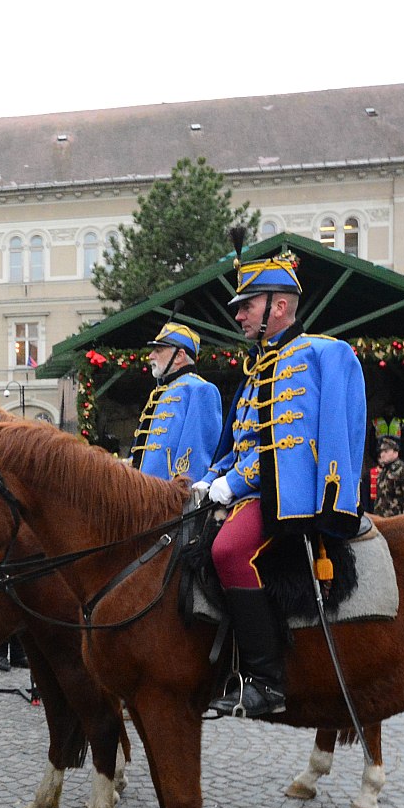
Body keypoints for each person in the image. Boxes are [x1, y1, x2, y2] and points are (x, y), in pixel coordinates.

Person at [192, 249, 365, 719]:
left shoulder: (311, 355)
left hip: (284, 494)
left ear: (279, 306)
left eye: (246, 306)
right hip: (246, 487)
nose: (238, 316)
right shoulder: (257, 367)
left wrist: (234, 483)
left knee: (229, 551)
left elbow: (289, 448)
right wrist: (209, 479)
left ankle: (267, 680)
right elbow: (237, 443)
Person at [129, 322, 222, 483]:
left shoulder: (200, 389)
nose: (151, 356)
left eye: (158, 350)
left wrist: (181, 491)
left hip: (169, 494)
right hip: (144, 490)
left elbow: (196, 453)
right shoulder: (160, 392)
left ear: (179, 356)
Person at [368, 436, 404, 517]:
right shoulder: (384, 471)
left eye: (386, 451)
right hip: (381, 517)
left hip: (397, 518)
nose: (382, 455)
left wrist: (402, 515)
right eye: (381, 452)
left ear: (395, 452)